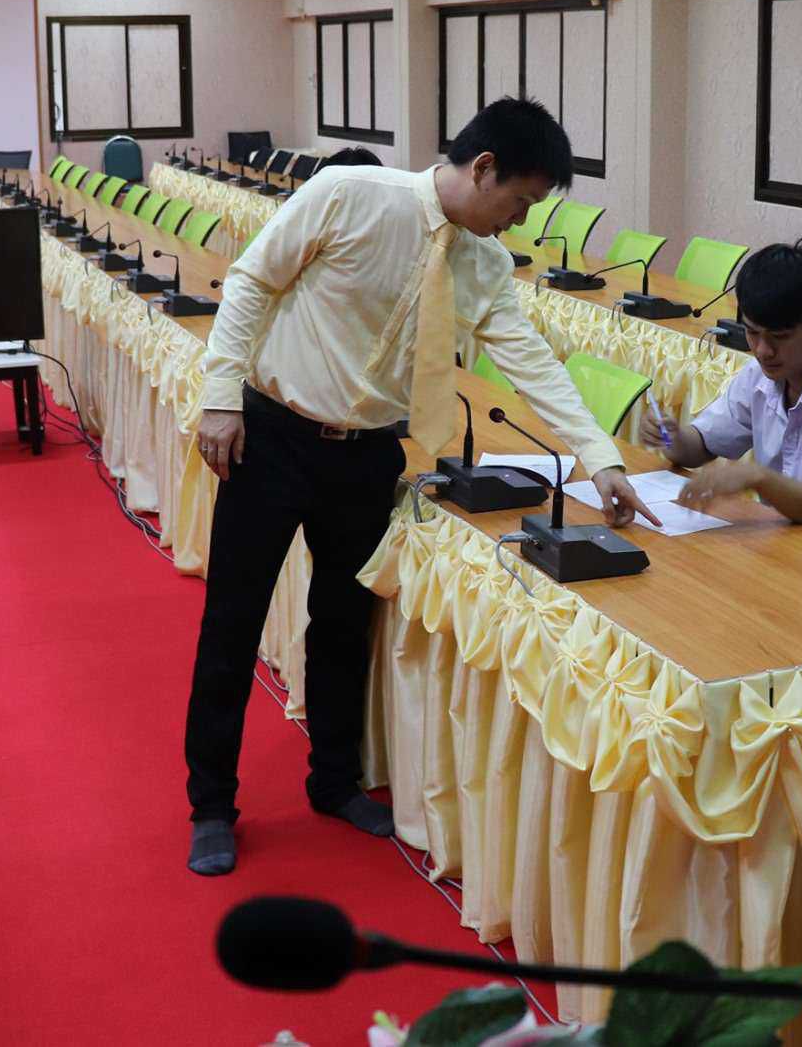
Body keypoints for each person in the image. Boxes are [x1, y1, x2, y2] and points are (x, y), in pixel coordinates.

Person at [184, 96, 658, 877]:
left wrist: (600, 457)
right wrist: (220, 398)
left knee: (343, 626)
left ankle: (333, 780)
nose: (520, 221)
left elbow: (533, 363)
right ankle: (211, 803)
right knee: (232, 624)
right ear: (483, 168)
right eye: (519, 201)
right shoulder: (349, 194)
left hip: (367, 456)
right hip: (273, 437)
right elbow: (249, 283)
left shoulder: (485, 265)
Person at [638, 239, 802, 535]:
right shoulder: (758, 376)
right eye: (752, 332)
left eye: (779, 336)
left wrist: (759, 479)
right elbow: (700, 446)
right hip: (788, 541)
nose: (763, 350)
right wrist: (671, 439)